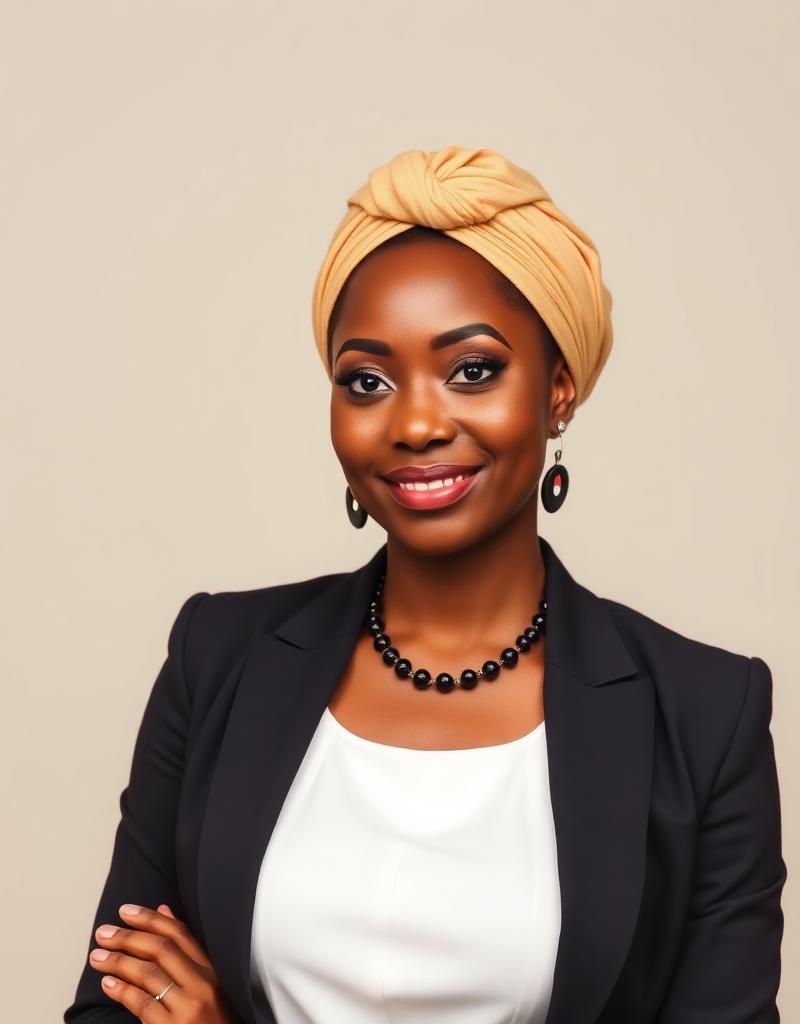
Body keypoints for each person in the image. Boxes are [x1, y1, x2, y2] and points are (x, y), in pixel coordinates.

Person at [64, 146, 786, 1024]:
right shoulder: (218, 659)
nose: (412, 423)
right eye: (366, 380)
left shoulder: (705, 716)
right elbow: (115, 1002)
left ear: (559, 391)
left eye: (472, 369)